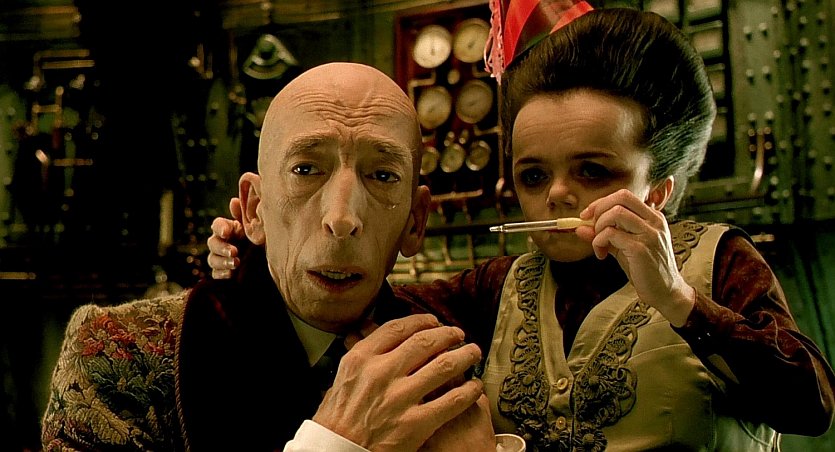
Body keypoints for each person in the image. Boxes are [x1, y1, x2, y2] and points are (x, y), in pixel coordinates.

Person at [207, 5, 835, 451]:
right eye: (534, 175)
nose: (557, 194)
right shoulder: (497, 288)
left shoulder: (719, 260)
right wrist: (257, 251)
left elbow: (811, 406)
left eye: (592, 171)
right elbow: (357, 298)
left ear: (659, 190)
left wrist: (677, 299)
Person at [41, 61, 525, 452]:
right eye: (306, 169)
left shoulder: (454, 336)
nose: (341, 218)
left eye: (382, 176)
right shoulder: (119, 352)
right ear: (254, 208)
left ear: (416, 222)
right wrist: (334, 444)